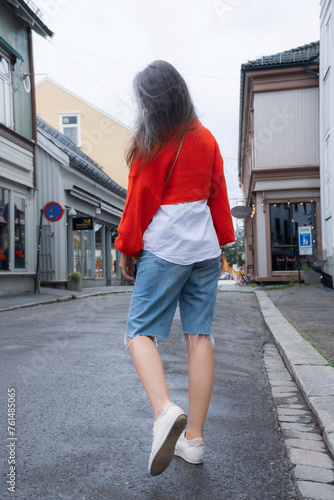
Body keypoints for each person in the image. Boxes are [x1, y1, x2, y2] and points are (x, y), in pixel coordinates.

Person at [115, 60, 235, 476]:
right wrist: (221, 244)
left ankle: (165, 410)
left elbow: (140, 200)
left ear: (151, 101)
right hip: (203, 247)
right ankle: (194, 441)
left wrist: (126, 247)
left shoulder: (152, 142)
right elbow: (218, 196)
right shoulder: (207, 139)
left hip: (166, 246)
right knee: (199, 335)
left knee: (139, 332)